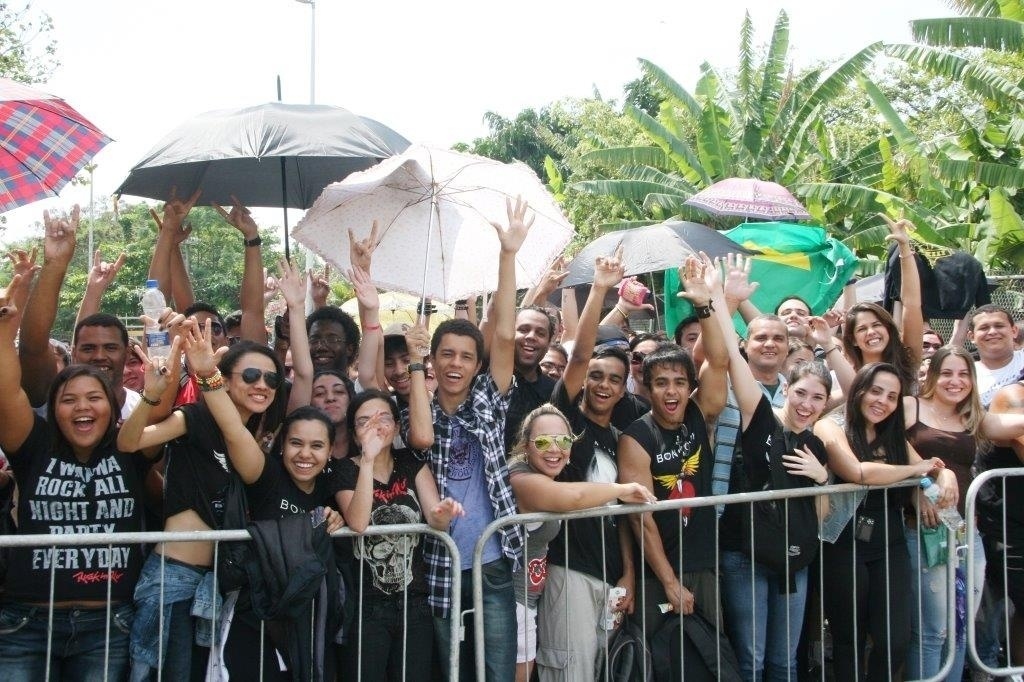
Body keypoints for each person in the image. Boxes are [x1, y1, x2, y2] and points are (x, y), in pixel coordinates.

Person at [0, 273, 157, 680]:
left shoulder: (129, 448)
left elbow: (159, 403)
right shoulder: (34, 446)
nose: (82, 407)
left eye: (93, 398)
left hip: (108, 626)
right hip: (27, 622)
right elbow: (6, 393)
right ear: (53, 409)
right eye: (68, 399)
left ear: (113, 408)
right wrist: (4, 330)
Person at [402, 197, 532, 681]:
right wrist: (415, 361)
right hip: (439, 560)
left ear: (477, 367)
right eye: (445, 355)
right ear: (434, 360)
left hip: (494, 556)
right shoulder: (419, 406)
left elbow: (503, 336)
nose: (455, 364)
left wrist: (507, 255)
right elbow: (419, 438)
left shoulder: (488, 401)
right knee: (451, 668)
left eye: (465, 357)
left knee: (497, 667)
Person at [176, 319, 344, 679]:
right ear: (281, 445)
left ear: (330, 452)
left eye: (317, 446)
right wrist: (207, 376)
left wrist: (337, 518)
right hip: (256, 616)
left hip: (308, 621)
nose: (305, 455)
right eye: (296, 443)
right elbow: (234, 428)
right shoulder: (265, 475)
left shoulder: (330, 490)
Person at [117, 331, 289, 679]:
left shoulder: (258, 441)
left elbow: (242, 450)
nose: (263, 385)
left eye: (272, 378)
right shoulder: (193, 419)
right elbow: (130, 442)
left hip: (221, 587)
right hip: (174, 579)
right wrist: (151, 395)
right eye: (252, 375)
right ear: (223, 382)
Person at [535, 248, 640, 682]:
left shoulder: (621, 438)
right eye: (597, 376)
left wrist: (629, 575)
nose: (603, 385)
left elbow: (621, 519)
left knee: (603, 670)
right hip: (568, 570)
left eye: (614, 379)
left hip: (611, 573)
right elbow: (577, 357)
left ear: (624, 389)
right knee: (568, 671)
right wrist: (598, 288)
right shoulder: (565, 420)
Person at [814, 363, 954, 682]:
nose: (883, 401)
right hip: (843, 543)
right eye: (876, 391)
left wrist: (942, 473)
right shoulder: (830, 425)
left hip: (889, 542)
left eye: (892, 396)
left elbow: (929, 468)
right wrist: (915, 472)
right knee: (850, 639)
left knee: (894, 640)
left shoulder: (891, 433)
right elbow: (858, 472)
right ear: (859, 390)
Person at [618, 254, 730, 632]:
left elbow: (719, 359)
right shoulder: (636, 437)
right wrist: (668, 581)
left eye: (679, 382)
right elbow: (643, 520)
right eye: (661, 382)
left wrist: (703, 304)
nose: (671, 390)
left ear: (689, 387)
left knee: (709, 659)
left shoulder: (699, 414)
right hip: (659, 570)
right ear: (647, 389)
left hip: (705, 561)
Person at [507, 404, 654, 682]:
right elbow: (571, 498)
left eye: (563, 441)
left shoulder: (542, 474)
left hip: (527, 599)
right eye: (542, 442)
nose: (554, 449)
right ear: (526, 445)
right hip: (510, 600)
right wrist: (623, 490)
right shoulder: (519, 477)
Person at [903, 346, 1024, 679]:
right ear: (932, 376)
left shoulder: (973, 416)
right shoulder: (909, 406)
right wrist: (924, 483)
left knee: (960, 629)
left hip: (964, 533)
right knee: (933, 632)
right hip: (923, 530)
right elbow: (888, 446)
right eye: (946, 373)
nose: (955, 381)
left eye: (962, 374)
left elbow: (1011, 424)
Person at [336, 389, 464, 682]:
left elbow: (434, 518)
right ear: (355, 434)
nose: (375, 426)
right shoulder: (343, 470)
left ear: (396, 426)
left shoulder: (411, 462)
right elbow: (357, 522)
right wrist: (367, 462)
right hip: (365, 606)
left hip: (414, 603)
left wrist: (443, 513)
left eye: (383, 418)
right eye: (364, 421)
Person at [720, 352, 832, 680]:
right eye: (800, 393)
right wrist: (723, 305)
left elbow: (820, 516)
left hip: (792, 561)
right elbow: (736, 366)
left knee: (785, 661)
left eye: (817, 398)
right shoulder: (761, 421)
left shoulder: (815, 445)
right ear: (786, 390)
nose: (806, 404)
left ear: (826, 403)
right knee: (750, 660)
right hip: (746, 556)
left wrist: (821, 478)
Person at [840, 216, 924, 391]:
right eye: (862, 329)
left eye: (877, 325)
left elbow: (912, 304)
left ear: (888, 329)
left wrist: (904, 249)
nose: (871, 332)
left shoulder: (907, 362)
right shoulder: (847, 373)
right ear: (853, 340)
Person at [969, 304, 1024, 407]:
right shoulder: (965, 374)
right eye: (984, 328)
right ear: (972, 336)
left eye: (999, 326)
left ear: (1014, 331)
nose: (992, 332)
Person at [311, 369, 355, 461]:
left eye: (339, 392)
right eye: (320, 393)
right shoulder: (305, 446)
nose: (330, 398)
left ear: (350, 399)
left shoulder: (364, 441)